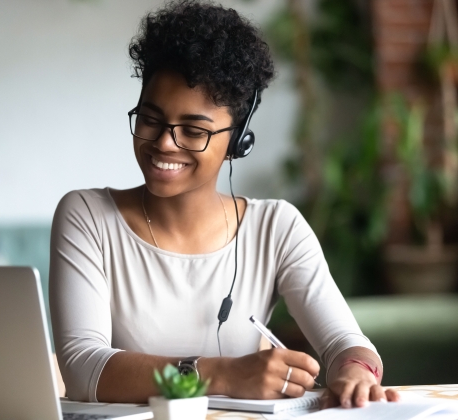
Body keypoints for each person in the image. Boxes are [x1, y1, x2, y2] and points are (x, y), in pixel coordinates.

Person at [49, 0, 400, 409]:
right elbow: (81, 368)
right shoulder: (87, 217)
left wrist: (355, 370)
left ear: (236, 143)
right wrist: (223, 374)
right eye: (151, 119)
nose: (165, 142)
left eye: (193, 130)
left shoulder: (276, 228)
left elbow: (347, 343)